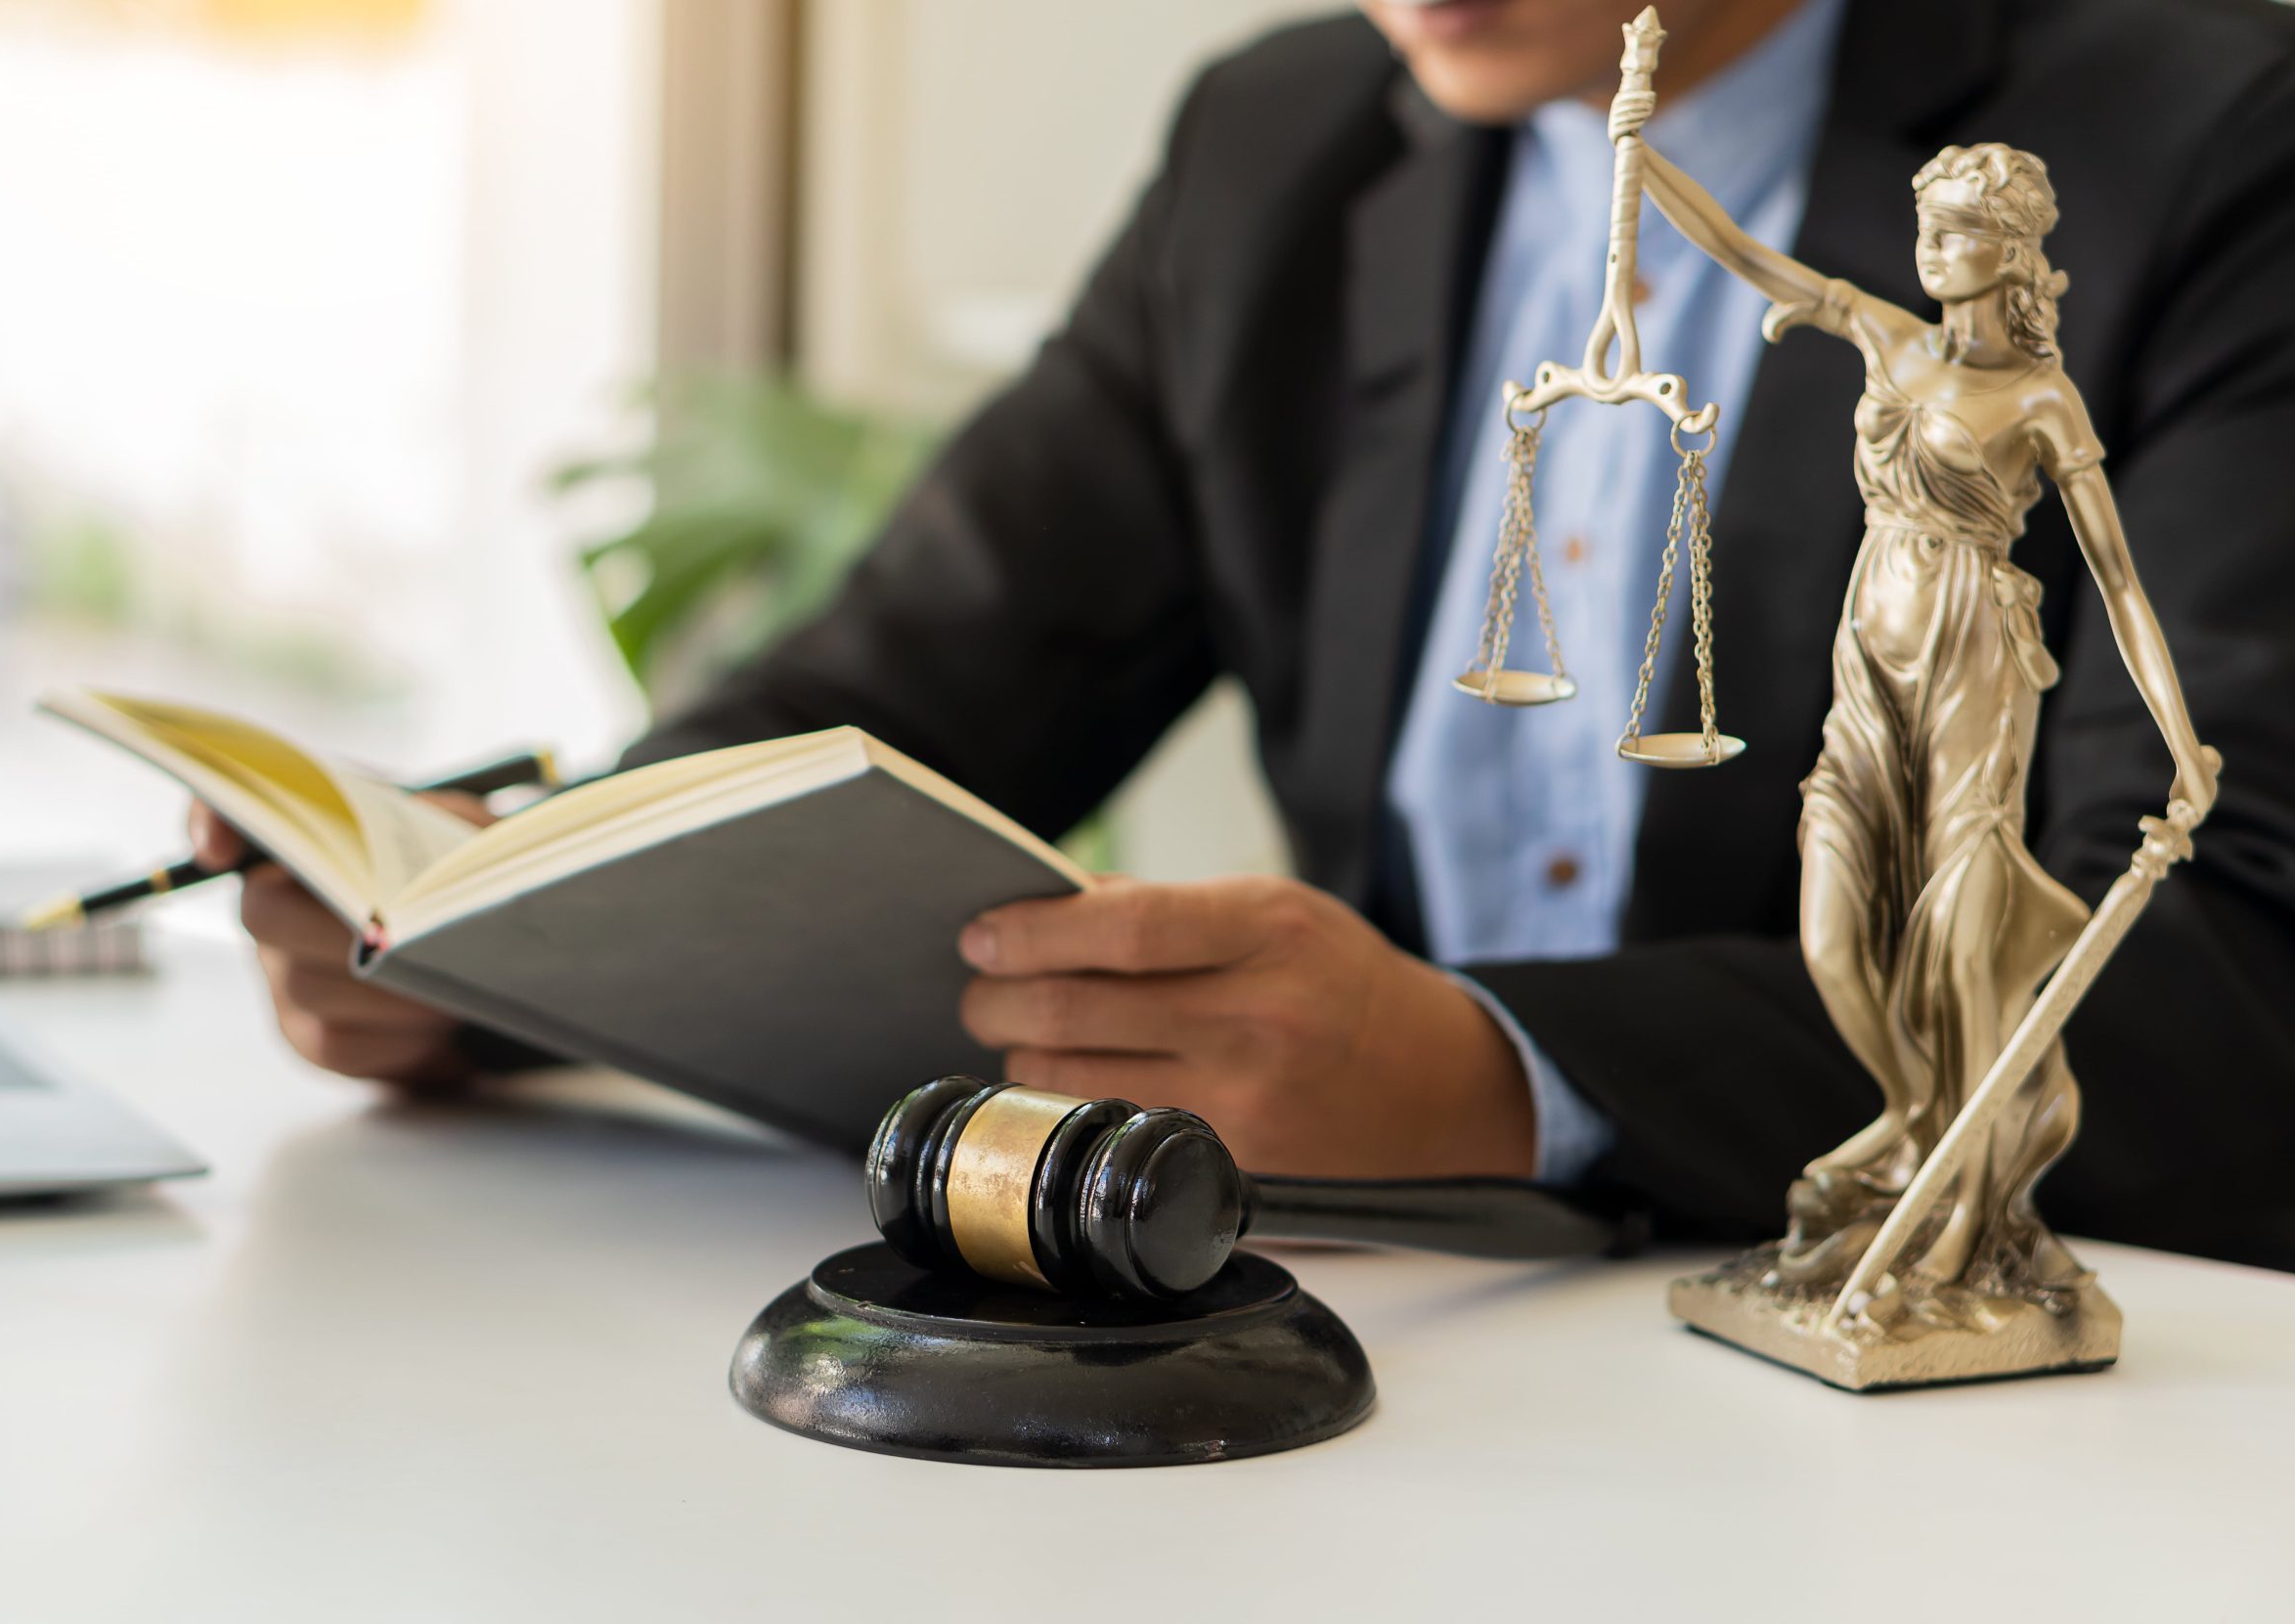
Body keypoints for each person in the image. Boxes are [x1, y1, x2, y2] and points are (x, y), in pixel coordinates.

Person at [200, 0, 2295, 1271]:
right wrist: (501, 927)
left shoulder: (2182, 153)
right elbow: (913, 676)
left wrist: (1490, 1074)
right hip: (1404, 1368)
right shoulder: (1277, 146)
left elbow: (2233, 968)